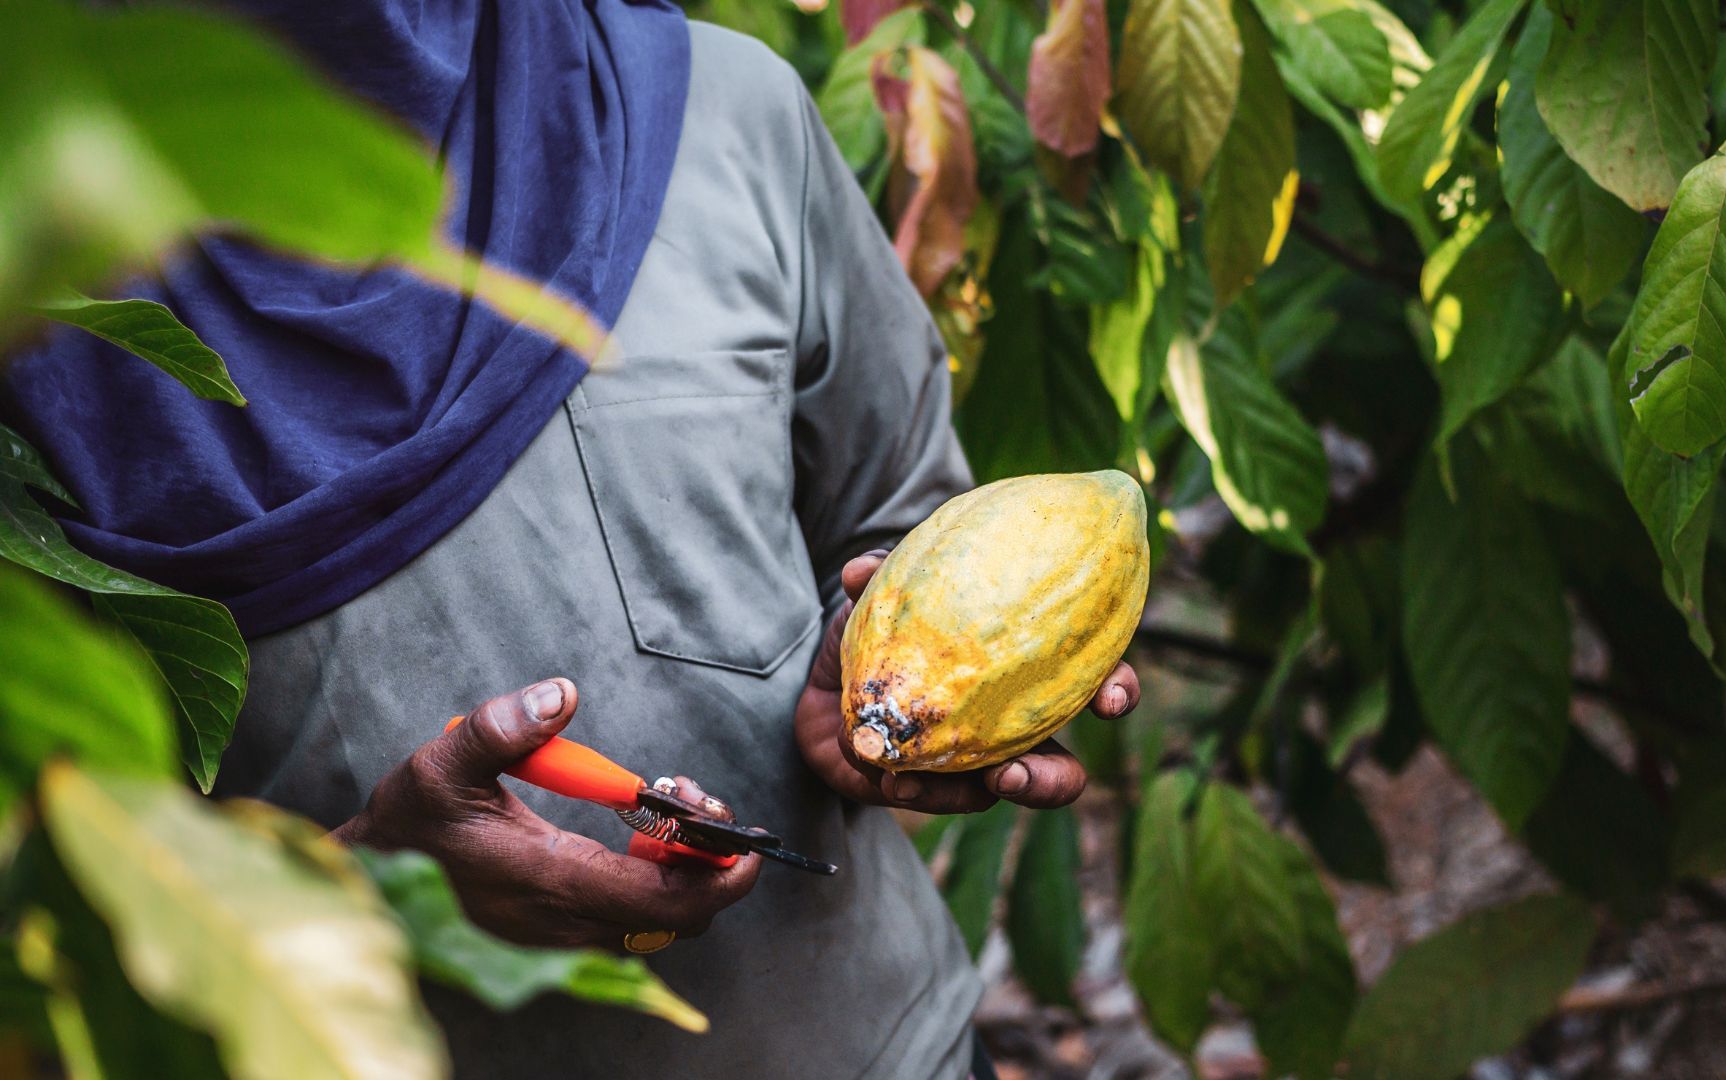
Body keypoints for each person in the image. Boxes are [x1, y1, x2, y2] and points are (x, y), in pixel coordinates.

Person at [1, 4, 1140, 1077]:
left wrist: (873, 668)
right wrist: (371, 890)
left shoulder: (719, 112)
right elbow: (46, 945)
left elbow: (904, 517)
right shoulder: (38, 316)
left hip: (891, 1047)